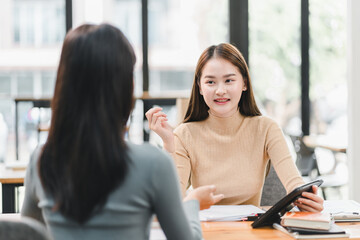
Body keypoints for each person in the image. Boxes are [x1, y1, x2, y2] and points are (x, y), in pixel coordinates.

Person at [21, 23, 224, 240]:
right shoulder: (152, 163)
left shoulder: (41, 160)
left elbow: (26, 234)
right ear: (124, 88)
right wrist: (193, 202)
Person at [146, 43, 324, 212]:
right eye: (210, 82)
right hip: (206, 231)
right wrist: (170, 146)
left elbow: (294, 183)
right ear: (200, 87)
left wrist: (307, 199)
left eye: (229, 80)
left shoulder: (267, 128)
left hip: (251, 231)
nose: (220, 90)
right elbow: (171, 201)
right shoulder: (184, 134)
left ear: (244, 83)